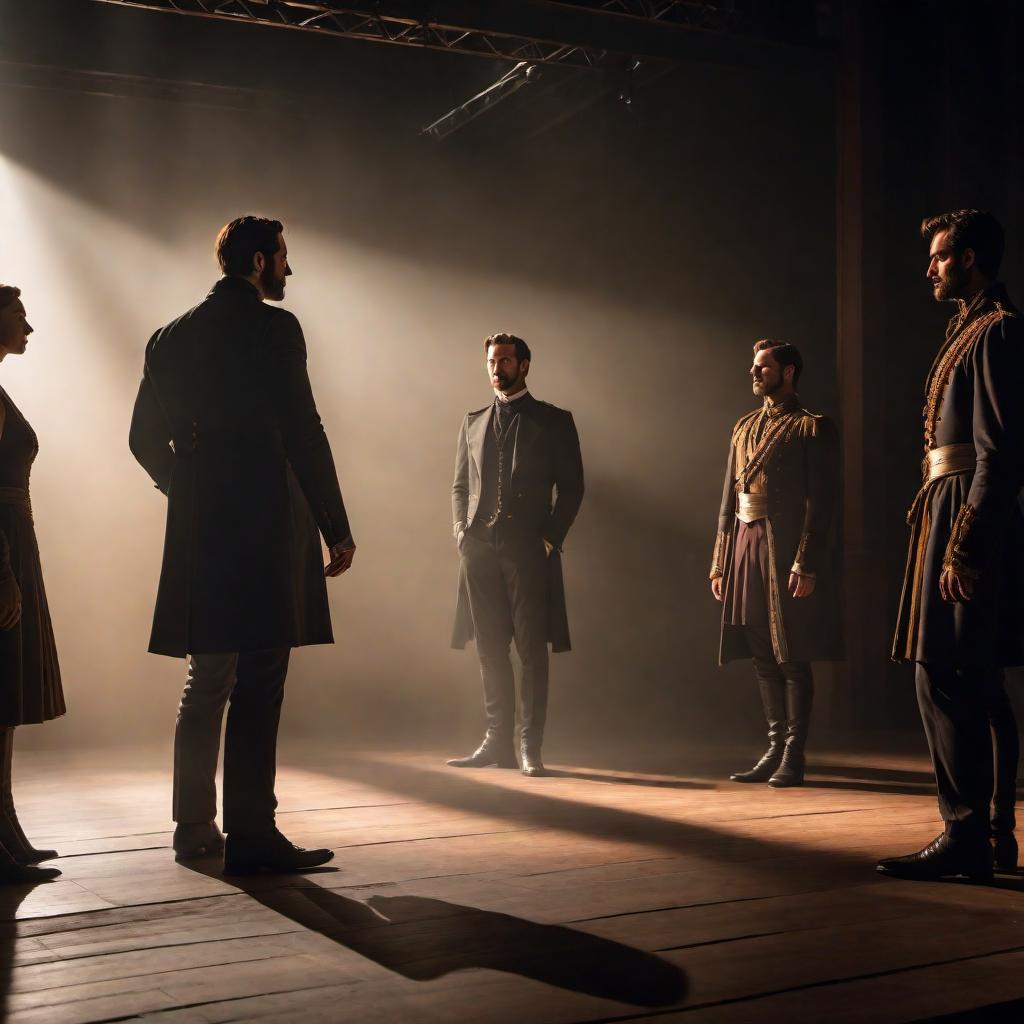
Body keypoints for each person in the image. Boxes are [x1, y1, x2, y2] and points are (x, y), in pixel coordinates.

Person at [130, 217, 356, 874]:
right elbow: (304, 430)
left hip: (203, 528)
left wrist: (191, 488)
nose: (289, 269)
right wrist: (335, 523)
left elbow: (143, 440)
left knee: (207, 680)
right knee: (260, 679)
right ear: (260, 261)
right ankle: (254, 836)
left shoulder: (168, 337)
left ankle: (194, 829)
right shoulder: (275, 328)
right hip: (265, 522)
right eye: (285, 257)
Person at [881, 209, 1023, 881]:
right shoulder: (966, 331)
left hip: (966, 513)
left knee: (956, 672)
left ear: (969, 259)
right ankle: (976, 834)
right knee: (948, 671)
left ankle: (973, 834)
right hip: (944, 505)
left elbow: (999, 455)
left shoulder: (996, 333)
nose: (930, 268)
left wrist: (964, 545)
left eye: (940, 257)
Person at [448, 333, 584, 777]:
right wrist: (461, 531)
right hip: (479, 549)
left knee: (531, 651)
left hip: (528, 548)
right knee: (489, 649)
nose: (496, 368)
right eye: (491, 360)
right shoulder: (472, 421)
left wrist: (549, 539)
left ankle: (529, 745)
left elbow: (573, 488)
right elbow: (461, 486)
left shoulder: (554, 420)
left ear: (524, 365)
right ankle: (496, 743)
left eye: (505, 360)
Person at [710, 340, 842, 788]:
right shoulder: (743, 427)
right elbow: (728, 501)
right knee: (761, 653)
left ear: (788, 372)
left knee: (791, 654)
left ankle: (793, 754)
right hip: (745, 544)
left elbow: (821, 503)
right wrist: (720, 563)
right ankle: (772, 748)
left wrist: (806, 562)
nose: (753, 372)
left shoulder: (812, 427)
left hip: (784, 549)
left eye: (762, 366)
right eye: (753, 365)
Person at [0, 286, 64, 883]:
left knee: (6, 699)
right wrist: (2, 573)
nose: (30, 326)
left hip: (16, 538)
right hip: (3, 546)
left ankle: (7, 829)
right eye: (19, 315)